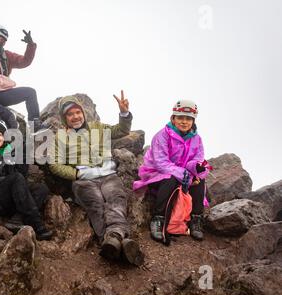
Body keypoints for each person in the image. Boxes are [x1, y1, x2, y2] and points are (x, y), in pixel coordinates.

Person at [48, 91, 144, 266]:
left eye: (78, 112)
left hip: (108, 175)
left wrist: (124, 113)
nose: (75, 116)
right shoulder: (60, 138)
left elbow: (122, 130)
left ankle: (113, 239)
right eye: (70, 114)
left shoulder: (98, 127)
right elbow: (54, 164)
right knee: (96, 204)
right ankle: (118, 242)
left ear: (83, 112)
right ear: (64, 118)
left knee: (116, 199)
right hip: (84, 180)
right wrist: (77, 174)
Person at [132, 100, 210, 242]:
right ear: (173, 118)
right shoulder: (162, 135)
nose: (184, 122)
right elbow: (161, 163)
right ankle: (158, 219)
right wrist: (185, 175)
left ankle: (196, 220)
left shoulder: (197, 139)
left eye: (188, 119)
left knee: (200, 180)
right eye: (180, 117)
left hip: (182, 175)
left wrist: (197, 169)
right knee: (170, 178)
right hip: (156, 174)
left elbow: (197, 159)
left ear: (193, 121)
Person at [0, 117, 53, 240]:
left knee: (41, 189)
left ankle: (17, 219)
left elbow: (21, 174)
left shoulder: (10, 150)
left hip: (14, 195)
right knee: (16, 178)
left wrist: (23, 154)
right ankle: (38, 225)